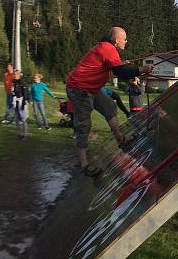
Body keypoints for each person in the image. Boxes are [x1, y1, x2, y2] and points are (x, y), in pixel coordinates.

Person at [65, 27, 153, 176]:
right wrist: (141, 69)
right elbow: (121, 73)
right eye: (124, 38)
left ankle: (121, 139)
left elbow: (111, 69)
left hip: (91, 88)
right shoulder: (108, 49)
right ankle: (84, 164)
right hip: (80, 89)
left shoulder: (107, 49)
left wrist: (122, 65)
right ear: (116, 40)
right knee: (84, 125)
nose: (126, 41)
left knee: (110, 106)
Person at [11, 69, 30, 139]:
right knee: (16, 119)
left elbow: (25, 93)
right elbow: (13, 92)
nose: (14, 75)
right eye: (14, 74)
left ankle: (24, 134)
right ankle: (19, 133)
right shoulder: (14, 81)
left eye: (15, 74)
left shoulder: (23, 82)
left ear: (18, 74)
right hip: (15, 101)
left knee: (23, 119)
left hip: (22, 100)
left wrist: (23, 104)